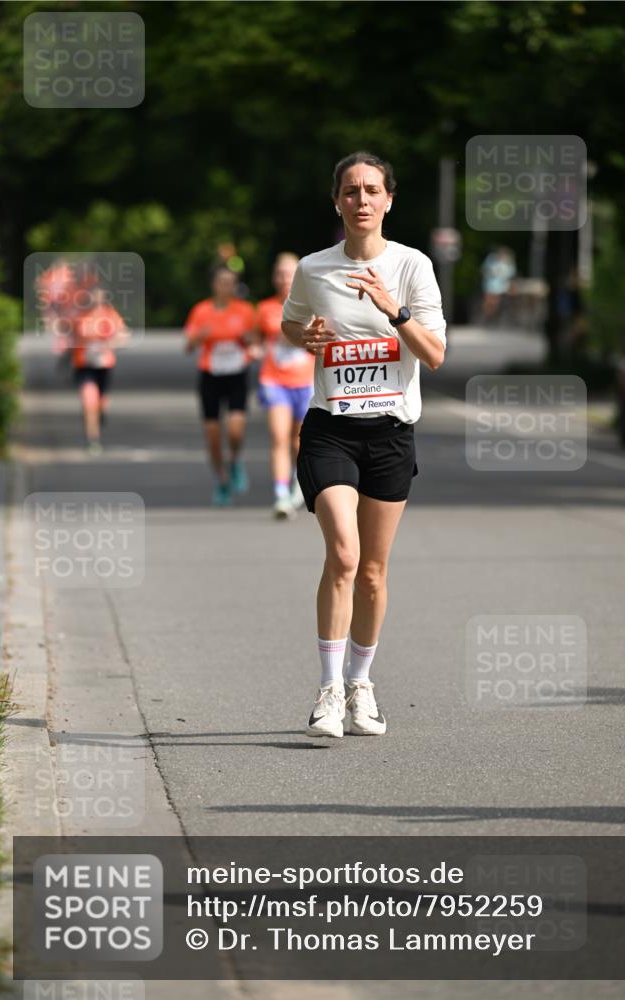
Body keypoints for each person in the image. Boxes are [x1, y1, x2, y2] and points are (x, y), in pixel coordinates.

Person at [281, 151, 446, 738]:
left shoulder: (413, 267)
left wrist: (391, 309)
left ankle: (361, 685)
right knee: (344, 555)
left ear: (389, 200)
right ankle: (327, 691)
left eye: (372, 190)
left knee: (373, 571)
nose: (362, 201)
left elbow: (434, 354)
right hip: (331, 429)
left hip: (391, 433)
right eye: (350, 191)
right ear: (337, 202)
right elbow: (291, 324)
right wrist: (309, 336)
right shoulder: (314, 269)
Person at [184, 266, 257, 506]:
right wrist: (199, 337)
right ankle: (221, 478)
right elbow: (188, 346)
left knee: (235, 430)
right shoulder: (201, 310)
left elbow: (257, 340)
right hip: (210, 376)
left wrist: (249, 340)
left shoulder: (245, 310)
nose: (226, 286)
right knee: (213, 435)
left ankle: (234, 461)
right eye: (221, 281)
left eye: (231, 282)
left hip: (237, 374)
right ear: (213, 284)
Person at [256, 253, 315, 518]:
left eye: (289, 273)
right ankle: (280, 495)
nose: (284, 279)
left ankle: (298, 485)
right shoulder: (264, 308)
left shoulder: (313, 306)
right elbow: (256, 341)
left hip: (306, 382)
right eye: (279, 273)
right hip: (274, 380)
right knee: (278, 437)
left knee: (298, 441)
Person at [70, 286, 129, 455]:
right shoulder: (78, 317)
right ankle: (92, 439)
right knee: (89, 401)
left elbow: (123, 336)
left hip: (103, 366)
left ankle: (99, 415)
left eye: (99, 297)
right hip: (84, 366)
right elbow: (69, 339)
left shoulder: (110, 315)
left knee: (100, 404)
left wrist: (108, 345)